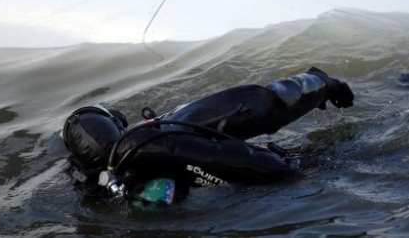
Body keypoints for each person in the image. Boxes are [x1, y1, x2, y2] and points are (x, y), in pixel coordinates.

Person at [61, 67, 354, 205]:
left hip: (192, 195)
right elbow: (273, 100)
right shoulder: (154, 135)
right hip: (281, 173)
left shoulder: (93, 183)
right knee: (273, 107)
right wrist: (326, 84)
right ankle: (324, 85)